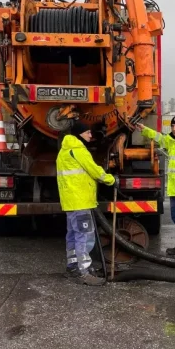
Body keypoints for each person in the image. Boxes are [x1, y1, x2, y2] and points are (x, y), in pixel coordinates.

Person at [56, 120, 116, 286]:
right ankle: (84, 271)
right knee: (84, 235)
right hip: (81, 200)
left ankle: (73, 267)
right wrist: (111, 180)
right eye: (88, 132)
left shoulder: (64, 151)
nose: (91, 135)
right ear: (79, 134)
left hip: (70, 201)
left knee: (73, 234)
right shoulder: (78, 150)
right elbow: (94, 170)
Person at [136, 115, 175, 258]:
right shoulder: (173, 139)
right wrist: (144, 129)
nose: (174, 128)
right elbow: (160, 137)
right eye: (172, 126)